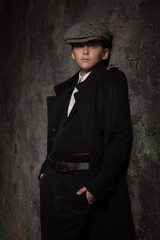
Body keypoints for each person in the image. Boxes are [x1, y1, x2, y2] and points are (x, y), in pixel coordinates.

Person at [39, 22, 136, 240]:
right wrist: (46, 170)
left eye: (92, 46)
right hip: (55, 182)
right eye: (79, 46)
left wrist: (98, 185)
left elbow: (120, 137)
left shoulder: (111, 81)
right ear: (72, 54)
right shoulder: (69, 88)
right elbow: (59, 134)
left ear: (105, 53)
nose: (84, 51)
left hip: (84, 183)